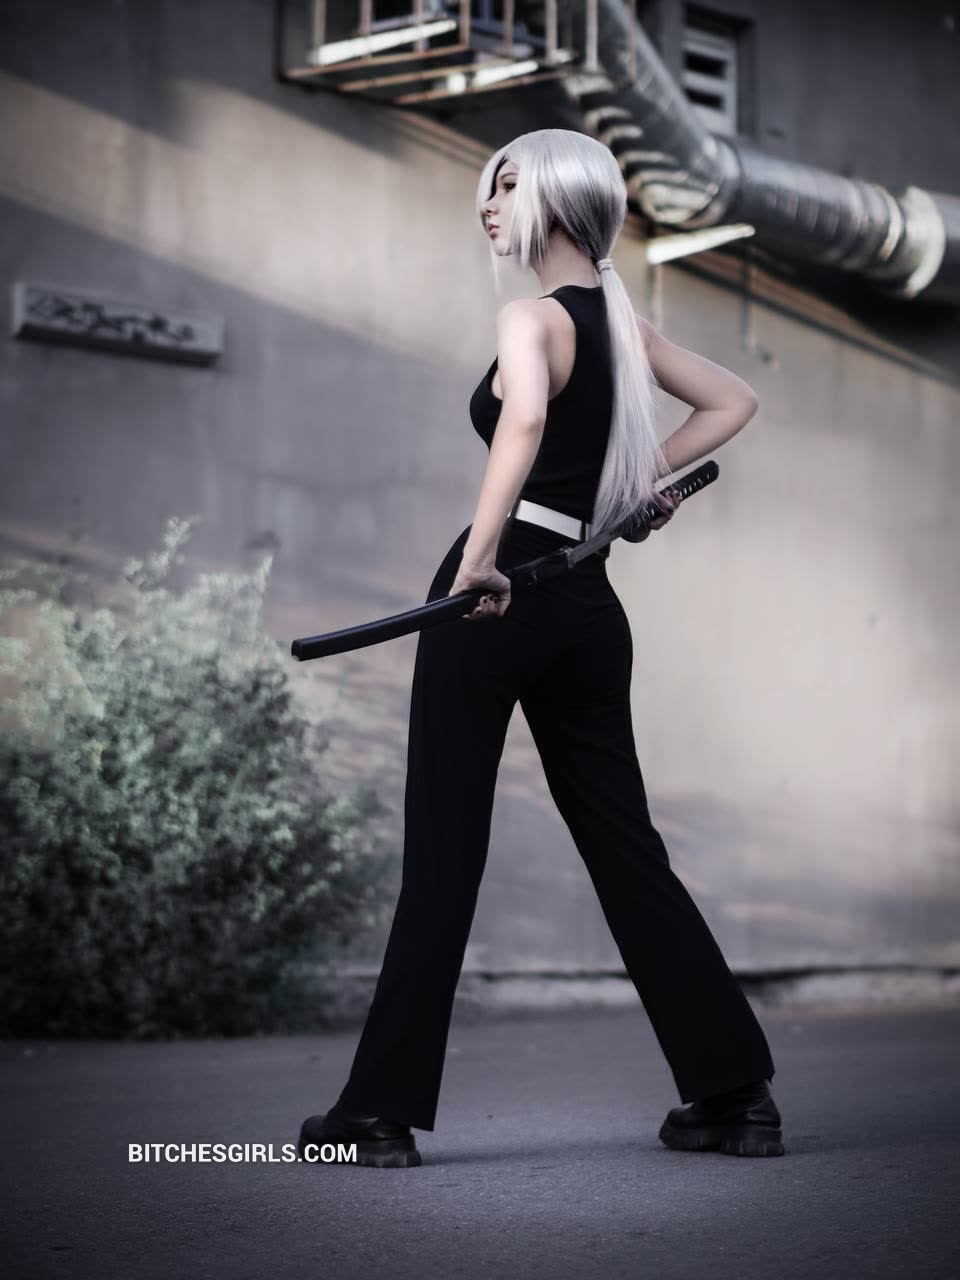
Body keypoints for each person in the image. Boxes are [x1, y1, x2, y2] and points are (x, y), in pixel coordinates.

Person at [298, 129, 784, 1169]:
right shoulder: (622, 326)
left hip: (500, 589)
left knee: (445, 847)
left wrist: (480, 561)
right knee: (625, 844)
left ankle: (375, 1116)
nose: (487, 204)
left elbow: (522, 421)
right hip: (587, 603)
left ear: (559, 199)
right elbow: (735, 401)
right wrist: (632, 486)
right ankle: (734, 1095)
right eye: (489, 187)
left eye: (507, 184)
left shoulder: (531, 318)